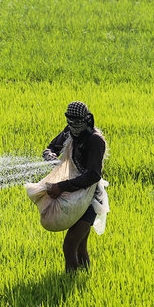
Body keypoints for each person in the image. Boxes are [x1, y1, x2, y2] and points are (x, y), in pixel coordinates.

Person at [42, 101, 107, 272]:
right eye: (70, 122)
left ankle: (69, 283)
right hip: (73, 193)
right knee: (79, 245)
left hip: (90, 196)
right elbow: (51, 147)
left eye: (77, 122)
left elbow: (93, 175)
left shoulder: (95, 140)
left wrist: (62, 186)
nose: (74, 127)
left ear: (86, 119)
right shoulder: (70, 131)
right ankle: (84, 278)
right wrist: (51, 156)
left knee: (70, 244)